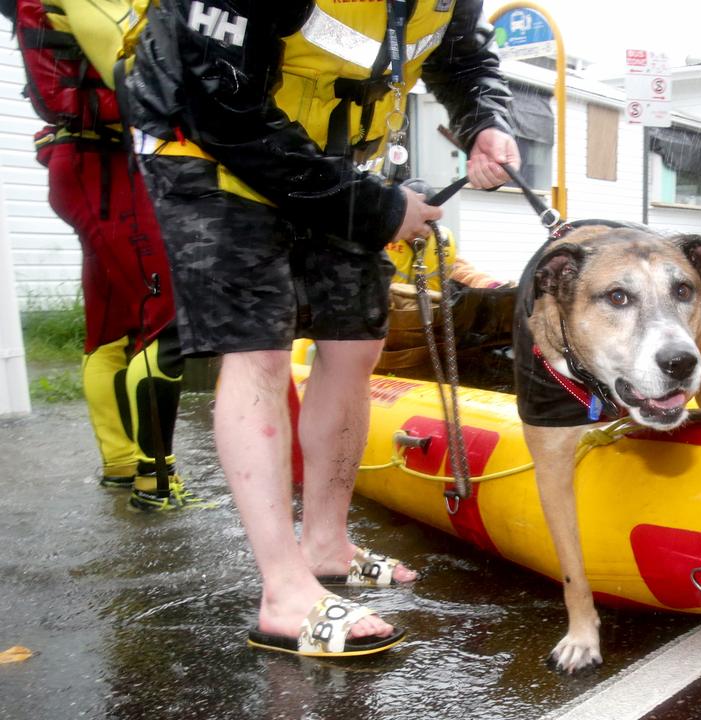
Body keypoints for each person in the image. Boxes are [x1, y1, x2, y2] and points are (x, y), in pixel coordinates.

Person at [123, 0, 518, 656]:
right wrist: (379, 207)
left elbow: (464, 59)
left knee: (355, 344)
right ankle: (283, 593)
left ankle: (327, 544)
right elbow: (221, 104)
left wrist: (486, 121)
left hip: (339, 161)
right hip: (206, 147)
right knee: (258, 352)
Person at [3, 0, 189, 511]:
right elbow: (144, 76)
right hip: (105, 167)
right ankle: (157, 482)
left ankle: (122, 464)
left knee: (112, 327)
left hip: (86, 165)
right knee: (162, 323)